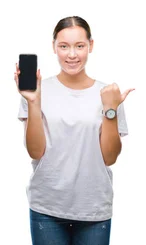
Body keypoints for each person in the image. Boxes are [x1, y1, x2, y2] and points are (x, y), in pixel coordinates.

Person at [14, 16, 133, 245]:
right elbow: (35, 152)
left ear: (91, 45)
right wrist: (33, 102)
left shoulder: (108, 94)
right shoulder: (38, 91)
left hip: (93, 209)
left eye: (79, 46)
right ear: (53, 47)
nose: (72, 54)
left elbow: (109, 157)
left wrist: (111, 109)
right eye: (64, 46)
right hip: (46, 207)